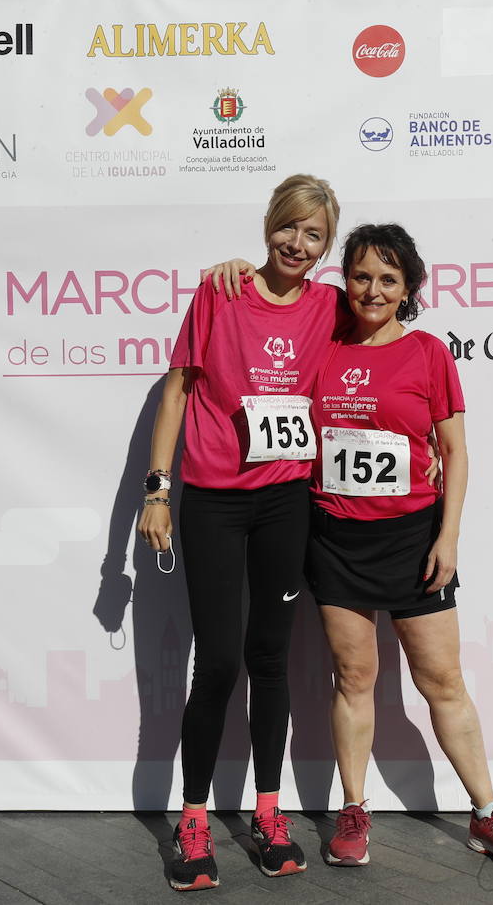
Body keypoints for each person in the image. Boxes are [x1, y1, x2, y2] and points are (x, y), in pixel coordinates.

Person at [308, 224, 493, 871]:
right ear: (344, 280)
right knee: (354, 678)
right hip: (334, 537)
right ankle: (354, 810)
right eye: (360, 275)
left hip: (414, 539)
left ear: (408, 287)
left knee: (442, 680)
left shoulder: (428, 353)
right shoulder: (318, 348)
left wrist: (449, 535)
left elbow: (455, 451)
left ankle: (487, 812)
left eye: (388, 278)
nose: (372, 290)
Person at [137, 174, 342, 892]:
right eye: (289, 227)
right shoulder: (221, 292)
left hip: (286, 500)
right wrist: (157, 491)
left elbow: (383, 341)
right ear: (269, 225)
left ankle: (267, 813)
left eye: (314, 235)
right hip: (216, 503)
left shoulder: (330, 305)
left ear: (327, 245)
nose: (298, 243)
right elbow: (178, 390)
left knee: (271, 660)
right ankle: (193, 821)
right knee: (217, 662)